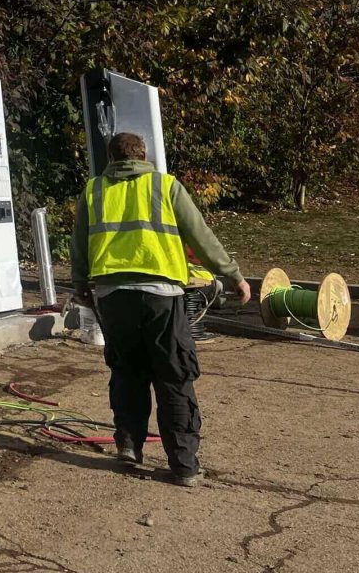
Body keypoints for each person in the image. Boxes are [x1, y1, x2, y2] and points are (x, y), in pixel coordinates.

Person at [70, 131, 251, 487]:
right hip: (160, 296)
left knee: (127, 370)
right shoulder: (166, 186)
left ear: (111, 158)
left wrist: (81, 286)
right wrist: (233, 276)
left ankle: (129, 444)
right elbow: (200, 235)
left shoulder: (93, 190)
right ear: (144, 155)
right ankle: (184, 464)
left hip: (113, 295)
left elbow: (80, 243)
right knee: (173, 374)